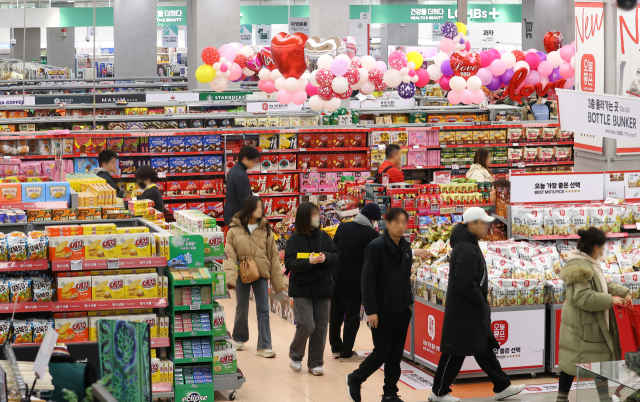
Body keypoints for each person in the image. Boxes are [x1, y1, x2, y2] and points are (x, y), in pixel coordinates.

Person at [429, 208, 525, 402]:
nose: (488, 226)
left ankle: (502, 386)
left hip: (469, 309)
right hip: (464, 311)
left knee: (483, 347)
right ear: (472, 224)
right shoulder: (466, 248)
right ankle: (438, 392)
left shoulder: (468, 245)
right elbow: (465, 282)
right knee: (454, 351)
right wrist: (480, 301)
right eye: (484, 222)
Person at [556, 227, 631, 402]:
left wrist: (622, 291)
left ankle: (567, 399)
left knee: (594, 362)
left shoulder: (587, 263)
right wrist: (611, 300)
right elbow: (583, 297)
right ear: (596, 247)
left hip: (586, 324)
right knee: (578, 363)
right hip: (584, 326)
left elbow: (602, 285)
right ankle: (565, 399)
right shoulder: (581, 267)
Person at [346, 208, 414, 402]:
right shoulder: (375, 247)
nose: (401, 226)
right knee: (383, 351)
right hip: (382, 311)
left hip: (402, 310)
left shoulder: (406, 248)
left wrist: (408, 303)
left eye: (404, 222)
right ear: (387, 223)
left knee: (396, 355)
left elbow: (405, 279)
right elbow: (367, 281)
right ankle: (355, 378)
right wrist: (371, 311)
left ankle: (390, 393)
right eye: (396, 222)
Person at [224, 196, 286, 358]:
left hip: (261, 274)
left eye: (261, 207)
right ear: (248, 208)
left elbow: (273, 257)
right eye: (257, 207)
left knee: (263, 310)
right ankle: (239, 338)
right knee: (241, 308)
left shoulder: (266, 230)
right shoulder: (233, 230)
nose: (261, 210)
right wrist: (229, 280)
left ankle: (265, 345)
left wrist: (279, 285)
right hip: (241, 273)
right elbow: (229, 256)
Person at [285, 202, 340, 376]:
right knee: (307, 324)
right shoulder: (294, 240)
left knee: (321, 326)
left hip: (322, 287)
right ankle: (296, 355)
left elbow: (337, 255)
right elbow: (289, 263)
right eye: (314, 215)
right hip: (301, 288)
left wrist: (326, 257)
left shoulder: (324, 237)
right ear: (305, 218)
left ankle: (315, 362)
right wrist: (308, 262)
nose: (318, 217)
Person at [329, 203, 382, 362]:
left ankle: (335, 348)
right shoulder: (371, 235)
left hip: (337, 278)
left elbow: (334, 249)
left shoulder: (342, 227)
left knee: (336, 316)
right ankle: (346, 352)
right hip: (354, 282)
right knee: (352, 318)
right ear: (372, 219)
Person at [224, 146, 260, 225]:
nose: (254, 164)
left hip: (231, 215)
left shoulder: (233, 170)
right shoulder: (241, 175)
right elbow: (245, 201)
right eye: (253, 161)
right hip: (238, 218)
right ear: (245, 159)